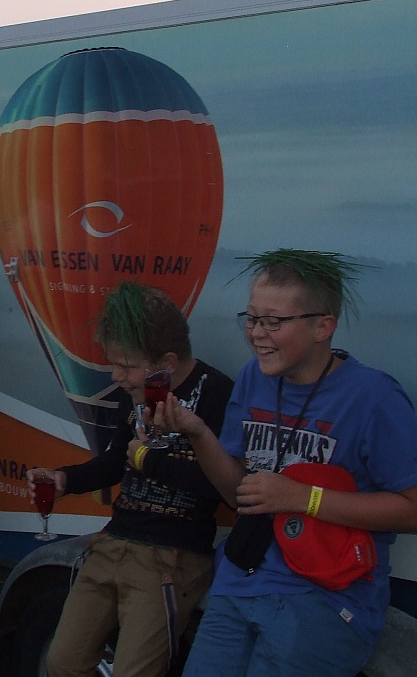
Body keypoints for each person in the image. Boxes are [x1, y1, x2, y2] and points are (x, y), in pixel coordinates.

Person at [159, 248, 417, 677]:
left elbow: (412, 509)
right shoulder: (253, 377)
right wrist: (198, 433)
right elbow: (239, 495)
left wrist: (303, 498)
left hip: (326, 595)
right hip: (240, 580)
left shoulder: (374, 397)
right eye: (251, 318)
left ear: (323, 327)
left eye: (273, 322)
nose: (257, 333)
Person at [26, 280, 233, 677]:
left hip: (171, 557)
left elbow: (222, 488)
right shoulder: (136, 392)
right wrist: (64, 479)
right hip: (114, 542)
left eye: (127, 366)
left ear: (167, 363)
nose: (117, 376)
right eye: (113, 364)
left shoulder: (217, 393)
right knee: (62, 661)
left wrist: (150, 460)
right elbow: (114, 463)